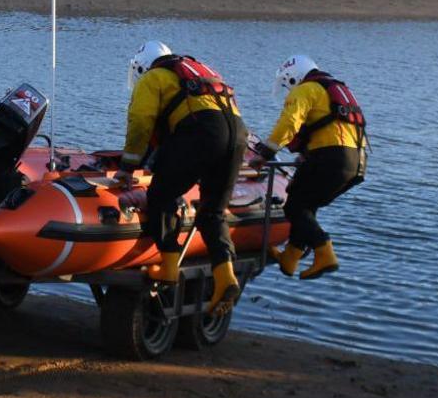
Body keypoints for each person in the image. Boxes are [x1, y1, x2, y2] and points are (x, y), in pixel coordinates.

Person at [119, 40, 246, 314]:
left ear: (143, 66)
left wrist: (128, 167)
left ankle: (168, 268)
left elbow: (140, 121)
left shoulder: (153, 78)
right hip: (238, 134)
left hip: (202, 132)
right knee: (213, 211)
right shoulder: (199, 72)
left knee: (162, 194)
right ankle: (226, 277)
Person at [256, 54, 367, 279]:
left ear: (293, 78)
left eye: (288, 85)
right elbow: (335, 129)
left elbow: (289, 122)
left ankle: (325, 252)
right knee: (306, 204)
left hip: (331, 159)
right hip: (357, 162)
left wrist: (267, 152)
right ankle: (290, 258)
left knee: (295, 207)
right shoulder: (335, 89)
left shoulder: (305, 90)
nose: (289, 89)